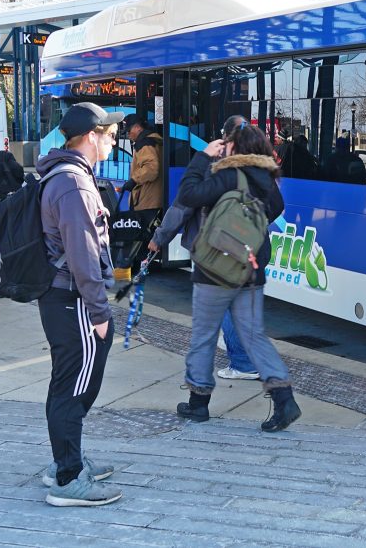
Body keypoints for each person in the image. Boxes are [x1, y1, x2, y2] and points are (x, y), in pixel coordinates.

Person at [168, 122, 299, 431]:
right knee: (254, 335)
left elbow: (188, 195)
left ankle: (198, 403)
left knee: (204, 335)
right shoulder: (267, 179)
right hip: (250, 270)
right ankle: (284, 399)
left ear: (235, 148)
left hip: (215, 270)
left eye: (226, 144)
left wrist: (201, 158)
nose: (222, 148)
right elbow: (275, 210)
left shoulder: (227, 175)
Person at [36, 102, 125, 507]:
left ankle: (63, 461)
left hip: (61, 297)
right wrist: (100, 313)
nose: (114, 138)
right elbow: (83, 254)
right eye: (109, 133)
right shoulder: (74, 184)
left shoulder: (64, 174)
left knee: (67, 384)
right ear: (91, 136)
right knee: (74, 389)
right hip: (74, 300)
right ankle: (69, 478)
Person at [149, 115, 258, 381]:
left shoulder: (211, 168)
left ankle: (242, 363)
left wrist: (159, 238)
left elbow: (182, 207)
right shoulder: (255, 167)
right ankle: (244, 354)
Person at [120, 114, 163, 211]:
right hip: (154, 200)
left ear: (137, 127)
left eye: (129, 131)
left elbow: (151, 168)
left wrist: (134, 180)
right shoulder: (154, 140)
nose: (128, 135)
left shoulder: (144, 143)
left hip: (147, 202)